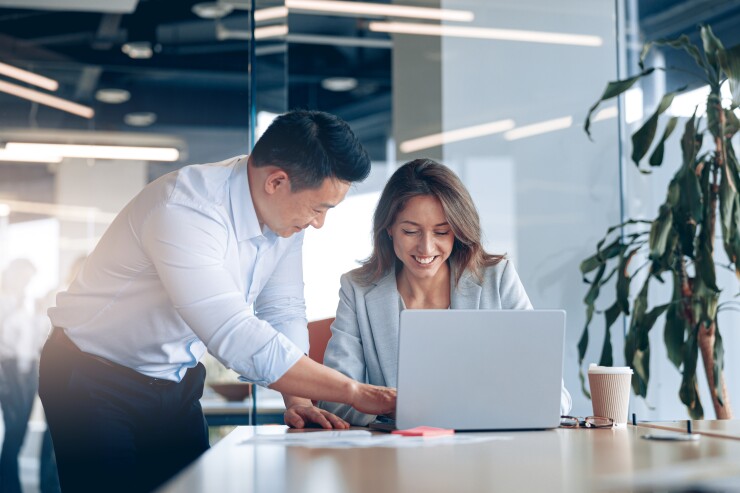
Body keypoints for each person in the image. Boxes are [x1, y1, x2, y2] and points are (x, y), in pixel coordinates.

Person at [39, 110, 396, 492]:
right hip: (93, 376)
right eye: (319, 208)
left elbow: (282, 308)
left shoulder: (283, 217)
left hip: (174, 381)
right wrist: (354, 392)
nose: (319, 222)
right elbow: (232, 333)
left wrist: (299, 400)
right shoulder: (184, 209)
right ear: (277, 181)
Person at [318, 159, 572, 426]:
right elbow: (334, 400)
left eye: (441, 232)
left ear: (459, 231)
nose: (426, 248)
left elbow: (555, 397)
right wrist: (395, 406)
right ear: (389, 228)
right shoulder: (357, 290)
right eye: (410, 231)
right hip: (397, 455)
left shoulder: (498, 279)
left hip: (488, 455)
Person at [0, 258, 43, 493]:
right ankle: (9, 486)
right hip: (8, 370)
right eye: (22, 276)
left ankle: (8, 483)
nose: (25, 282)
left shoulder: (28, 303)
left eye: (28, 278)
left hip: (28, 372)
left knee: (19, 431)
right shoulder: (3, 302)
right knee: (14, 428)